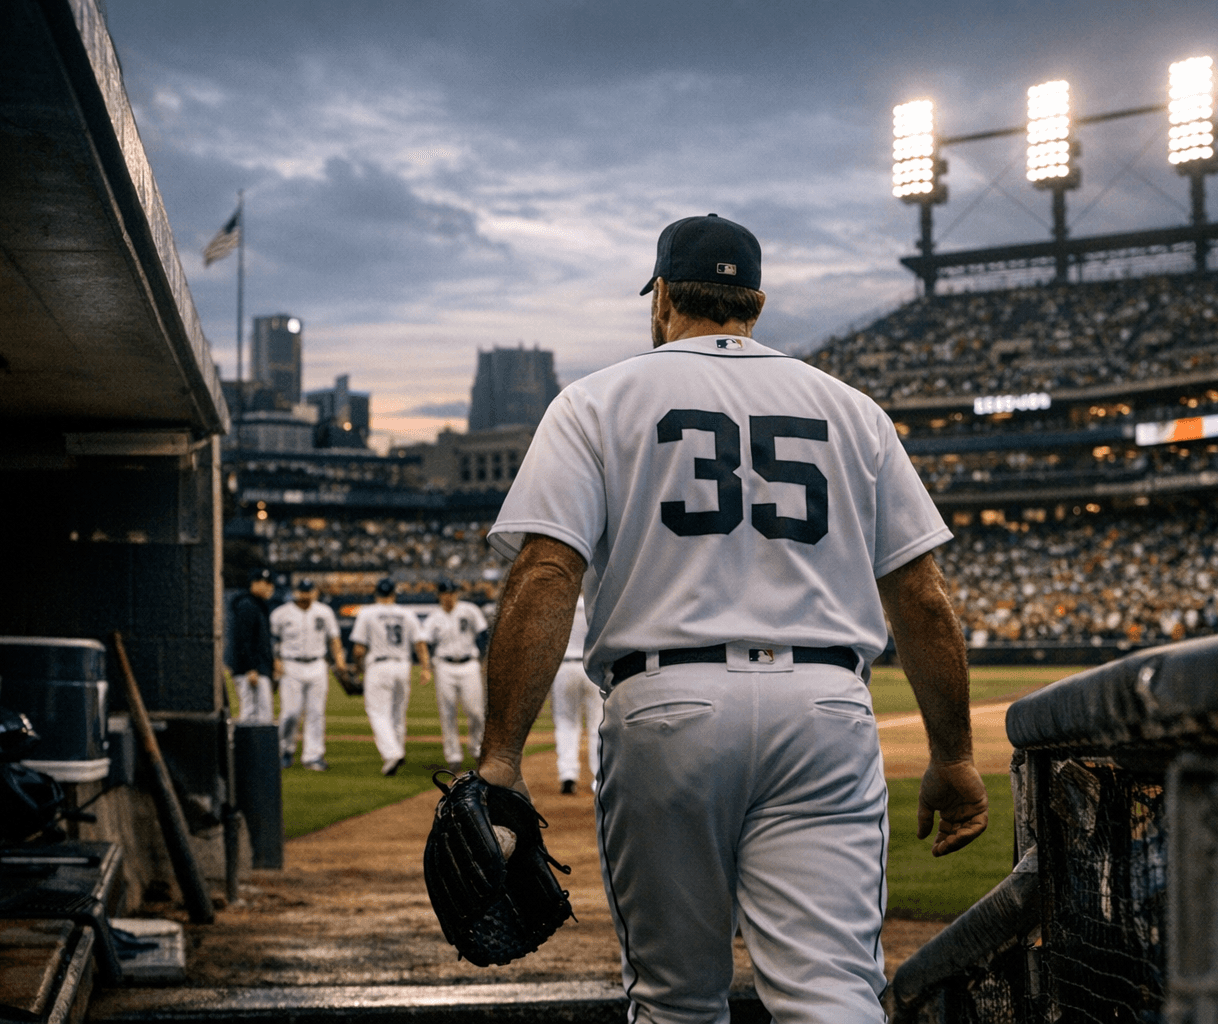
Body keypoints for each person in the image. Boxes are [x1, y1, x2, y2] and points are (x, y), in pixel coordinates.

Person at [478, 213, 988, 1023]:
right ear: (754, 301)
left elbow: (546, 572)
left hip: (666, 706)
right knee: (833, 995)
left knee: (677, 1003)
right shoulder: (852, 411)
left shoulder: (595, 400)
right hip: (822, 708)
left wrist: (499, 759)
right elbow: (920, 595)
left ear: (662, 300)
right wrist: (954, 755)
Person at [350, 577, 432, 776]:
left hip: (379, 666)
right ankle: (399, 750)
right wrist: (425, 668)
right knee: (398, 712)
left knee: (378, 713)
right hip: (402, 666)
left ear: (376, 594)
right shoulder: (407, 613)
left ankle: (392, 753)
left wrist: (359, 668)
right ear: (394, 594)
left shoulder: (368, 612)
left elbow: (359, 650)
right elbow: (420, 644)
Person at [271, 577, 347, 771]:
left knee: (316, 712)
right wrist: (276, 661)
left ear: (315, 592)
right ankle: (284, 750)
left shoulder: (324, 611)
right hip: (291, 664)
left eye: (309, 590)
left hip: (317, 664)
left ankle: (313, 756)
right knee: (290, 712)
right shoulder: (282, 613)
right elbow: (272, 641)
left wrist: (339, 660)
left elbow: (334, 638)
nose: (306, 594)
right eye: (302, 591)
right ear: (296, 592)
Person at [421, 579, 489, 772]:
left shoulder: (469, 610)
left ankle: (476, 748)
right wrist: (426, 667)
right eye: (445, 593)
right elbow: (423, 641)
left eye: (452, 592)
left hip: (469, 664)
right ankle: (453, 757)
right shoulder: (434, 617)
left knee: (476, 711)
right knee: (447, 712)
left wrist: (485, 660)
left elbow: (483, 635)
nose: (449, 596)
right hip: (444, 666)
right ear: (440, 595)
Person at [551, 596, 601, 795]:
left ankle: (568, 776)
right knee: (597, 725)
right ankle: (599, 778)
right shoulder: (595, 601)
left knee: (566, 722)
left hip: (564, 667)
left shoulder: (559, 603)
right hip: (591, 666)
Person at [228, 568, 278, 723]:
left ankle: (256, 747)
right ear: (254, 583)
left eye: (271, 583)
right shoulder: (247, 605)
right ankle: (249, 747)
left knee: (261, 715)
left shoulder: (256, 605)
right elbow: (243, 639)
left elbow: (261, 642)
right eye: (266, 583)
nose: (270, 587)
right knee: (253, 715)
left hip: (258, 668)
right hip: (250, 670)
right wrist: (250, 668)